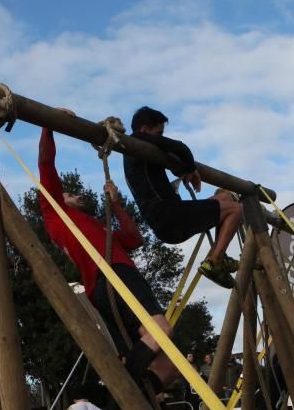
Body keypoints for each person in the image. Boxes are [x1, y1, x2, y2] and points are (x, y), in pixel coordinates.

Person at [38, 114, 178, 394]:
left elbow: (134, 239)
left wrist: (116, 206)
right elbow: (46, 164)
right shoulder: (54, 212)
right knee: (161, 330)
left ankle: (131, 405)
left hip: (105, 284)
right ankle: (118, 391)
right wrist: (48, 125)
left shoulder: (98, 227)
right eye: (69, 193)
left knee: (169, 367)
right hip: (114, 273)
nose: (75, 195)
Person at [123, 106, 242, 289]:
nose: (161, 138)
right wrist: (190, 168)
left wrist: (182, 170)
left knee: (226, 197)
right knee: (237, 210)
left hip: (169, 218)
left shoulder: (137, 153)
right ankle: (215, 261)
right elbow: (180, 148)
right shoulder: (136, 140)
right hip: (171, 217)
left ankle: (219, 255)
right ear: (145, 129)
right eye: (159, 133)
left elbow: (168, 157)